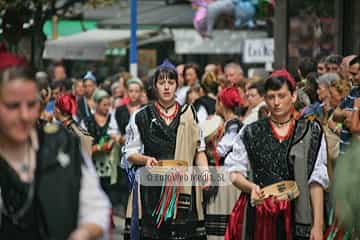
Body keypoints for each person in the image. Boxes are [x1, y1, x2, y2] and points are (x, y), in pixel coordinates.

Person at [0, 57, 110, 239]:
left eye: (31, 104)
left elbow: (96, 209)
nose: (24, 115)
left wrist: (82, 233)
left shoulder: (62, 144)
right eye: (13, 106)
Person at [224, 70, 329, 240]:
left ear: (293, 96)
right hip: (261, 215)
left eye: (282, 96)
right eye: (271, 97)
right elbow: (235, 173)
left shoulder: (311, 131)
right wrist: (251, 187)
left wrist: (317, 225)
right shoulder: (251, 131)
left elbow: (316, 181)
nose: (276, 102)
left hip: (298, 215)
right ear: (265, 99)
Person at [123, 59, 209, 240]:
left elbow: (199, 150)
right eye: (162, 83)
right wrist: (145, 160)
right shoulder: (140, 116)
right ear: (154, 86)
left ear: (177, 85)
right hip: (152, 187)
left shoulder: (189, 114)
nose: (166, 87)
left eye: (171, 82)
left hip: (184, 187)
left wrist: (205, 174)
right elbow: (130, 152)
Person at [204, 87, 243, 240]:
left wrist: (207, 145)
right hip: (226, 179)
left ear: (221, 103)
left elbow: (220, 151)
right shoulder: (229, 123)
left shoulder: (233, 125)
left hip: (227, 182)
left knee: (221, 228)